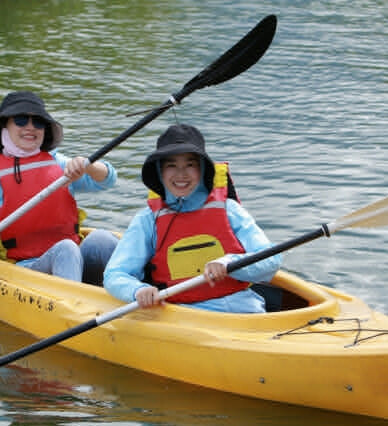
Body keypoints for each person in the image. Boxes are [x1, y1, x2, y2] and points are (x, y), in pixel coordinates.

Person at [0, 91, 119, 284]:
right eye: (20, 120)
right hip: (24, 270)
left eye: (38, 122)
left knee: (102, 239)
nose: (30, 127)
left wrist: (89, 166)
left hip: (73, 259)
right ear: (4, 126)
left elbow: (107, 180)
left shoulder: (58, 163)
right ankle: (74, 308)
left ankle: (141, 293)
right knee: (65, 249)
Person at [103, 124, 280, 313]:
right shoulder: (147, 220)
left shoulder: (230, 210)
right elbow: (115, 274)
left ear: (202, 170)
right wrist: (138, 290)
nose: (181, 174)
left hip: (242, 310)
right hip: (180, 316)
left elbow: (271, 259)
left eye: (190, 164)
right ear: (160, 172)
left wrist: (230, 263)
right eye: (171, 165)